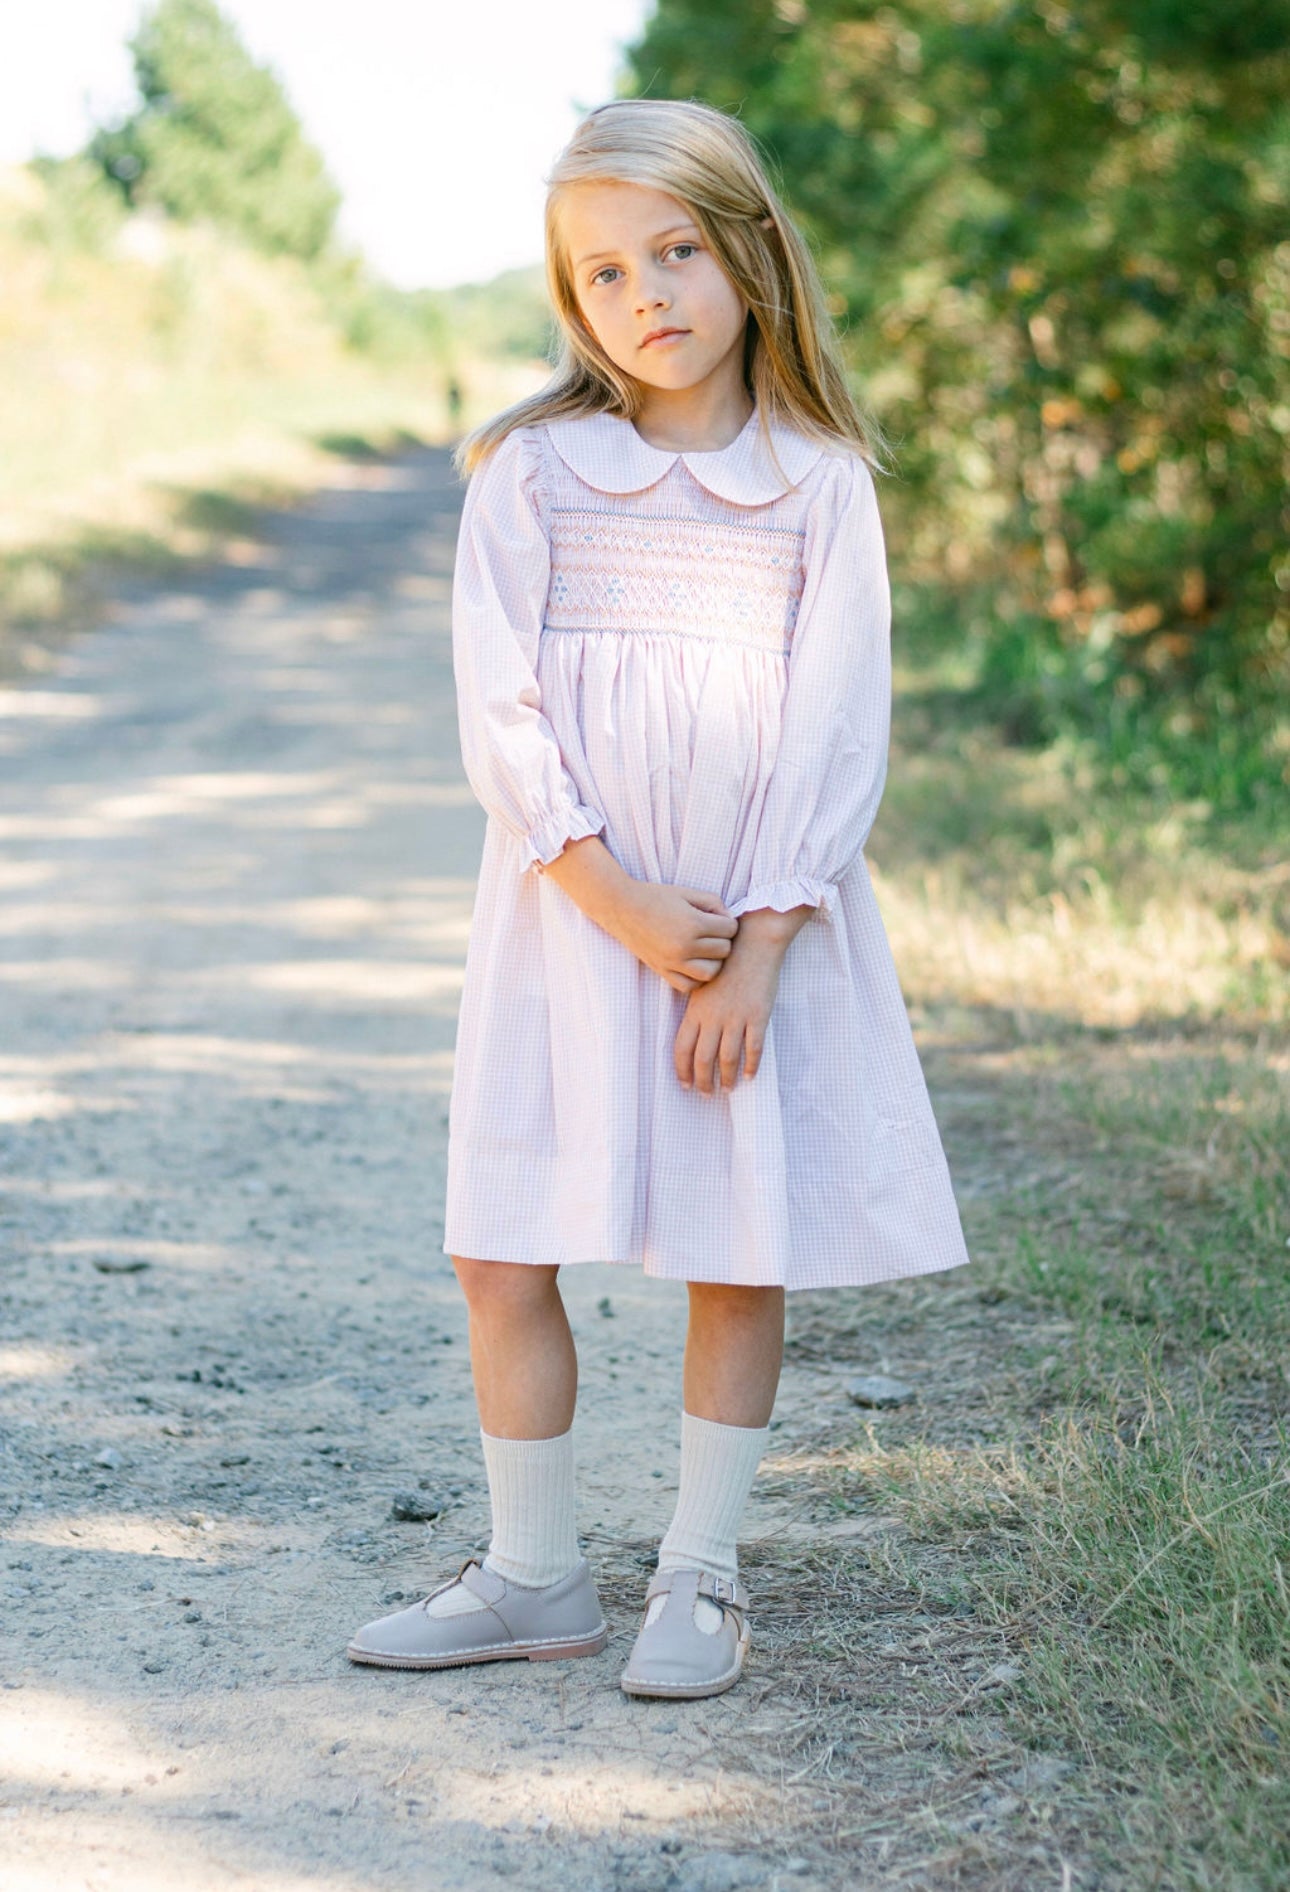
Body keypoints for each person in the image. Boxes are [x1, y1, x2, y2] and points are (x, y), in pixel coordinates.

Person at [347, 97, 971, 1700]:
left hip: (744, 946)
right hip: (575, 923)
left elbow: (835, 731)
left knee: (731, 1243)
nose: (646, 296)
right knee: (502, 1243)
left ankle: (699, 1575)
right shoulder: (537, 472)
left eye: (676, 251)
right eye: (603, 272)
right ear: (572, 304)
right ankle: (534, 1574)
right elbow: (499, 709)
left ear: (750, 251)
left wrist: (755, 948)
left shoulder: (818, 486)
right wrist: (611, 893)